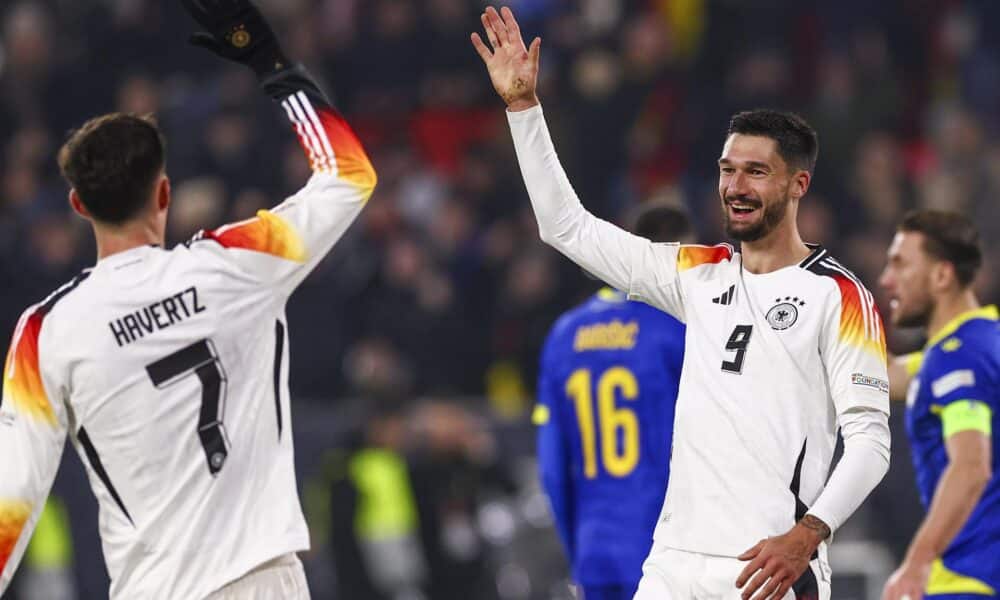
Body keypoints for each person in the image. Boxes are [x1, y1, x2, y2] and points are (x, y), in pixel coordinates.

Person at [471, 7, 891, 599]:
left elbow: (871, 441)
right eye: (726, 170)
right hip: (671, 564)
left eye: (756, 172)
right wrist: (523, 109)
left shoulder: (839, 295)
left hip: (768, 569)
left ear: (798, 184)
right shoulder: (698, 273)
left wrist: (808, 535)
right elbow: (566, 228)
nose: (735, 187)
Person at [0, 1, 376, 597]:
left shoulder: (46, 331)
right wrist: (272, 63)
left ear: (79, 207)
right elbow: (349, 174)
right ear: (166, 192)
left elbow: (11, 499)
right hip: (262, 581)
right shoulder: (237, 264)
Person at [534, 203, 693, 600]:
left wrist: (579, 550)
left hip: (594, 548)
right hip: (666, 551)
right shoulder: (677, 329)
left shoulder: (563, 335)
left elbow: (552, 467)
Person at [878, 210, 999, 600]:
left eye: (900, 265)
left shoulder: (959, 357)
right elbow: (889, 375)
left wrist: (917, 563)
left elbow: (970, 466)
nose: (886, 280)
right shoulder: (974, 345)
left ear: (942, 276)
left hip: (969, 578)